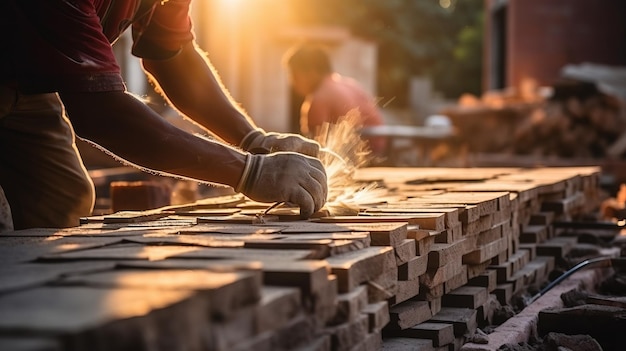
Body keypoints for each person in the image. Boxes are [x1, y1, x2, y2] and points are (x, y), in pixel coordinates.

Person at [0, 0, 327, 230]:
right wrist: (249, 172)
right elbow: (99, 112)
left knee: (62, 201)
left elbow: (172, 55)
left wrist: (254, 140)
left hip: (26, 84)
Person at [284, 43, 387, 156]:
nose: (292, 82)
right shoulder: (350, 84)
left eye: (294, 74)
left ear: (311, 72)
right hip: (380, 149)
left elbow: (314, 146)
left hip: (360, 157)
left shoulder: (320, 97)